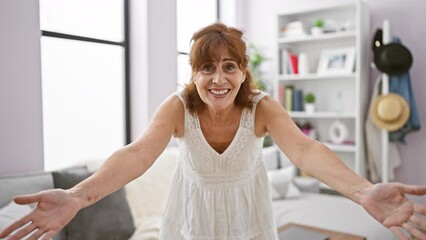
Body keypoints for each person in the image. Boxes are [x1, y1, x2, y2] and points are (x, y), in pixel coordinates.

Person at [1, 22, 426, 240]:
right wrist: (78, 196)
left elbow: (304, 150)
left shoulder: (262, 107)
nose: (218, 78)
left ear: (243, 72)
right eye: (207, 67)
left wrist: (361, 191)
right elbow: (138, 154)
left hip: (248, 207)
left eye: (229, 66)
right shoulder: (178, 107)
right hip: (194, 209)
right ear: (195, 73)